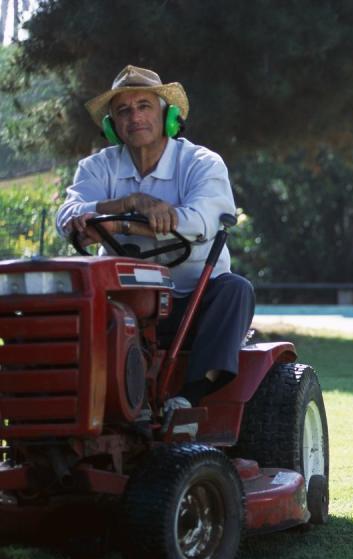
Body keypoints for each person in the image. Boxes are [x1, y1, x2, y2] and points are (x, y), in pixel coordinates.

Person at [56, 65, 254, 422]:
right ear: (112, 125)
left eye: (144, 106)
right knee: (67, 304)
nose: (135, 117)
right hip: (126, 299)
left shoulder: (201, 163)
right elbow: (68, 216)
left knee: (235, 289)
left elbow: (202, 220)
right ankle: (76, 400)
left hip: (192, 301)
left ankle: (189, 397)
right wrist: (128, 204)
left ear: (169, 115)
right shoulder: (96, 168)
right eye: (123, 110)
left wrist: (117, 224)